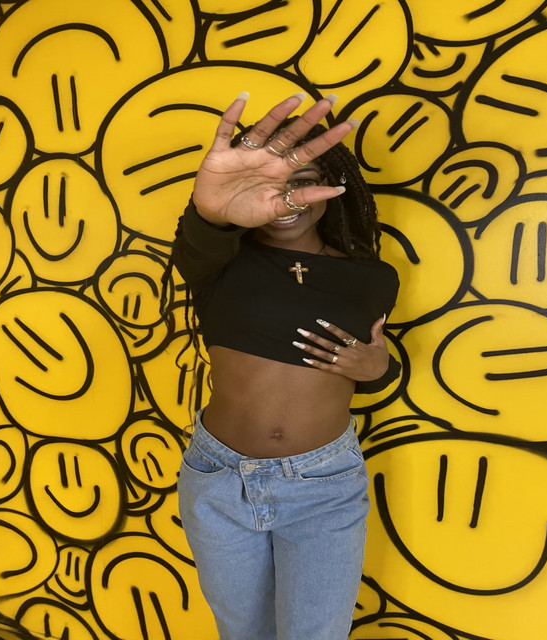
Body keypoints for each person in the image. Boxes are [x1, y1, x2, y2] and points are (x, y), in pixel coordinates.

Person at [168, 91, 400, 640]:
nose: (286, 198)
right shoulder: (218, 263)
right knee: (244, 633)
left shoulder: (371, 277)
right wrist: (213, 211)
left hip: (324, 486)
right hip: (220, 480)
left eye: (303, 181)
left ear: (331, 189)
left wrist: (380, 370)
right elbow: (197, 243)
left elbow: (366, 367)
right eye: (270, 183)